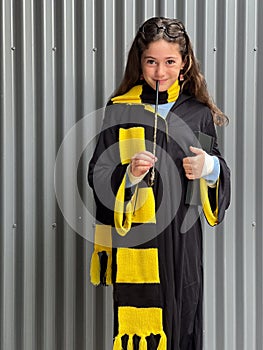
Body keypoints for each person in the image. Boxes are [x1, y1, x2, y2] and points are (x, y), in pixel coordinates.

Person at [88, 16, 230, 350]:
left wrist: (209, 167)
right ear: (139, 65)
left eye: (169, 62)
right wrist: (130, 176)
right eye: (151, 61)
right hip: (138, 243)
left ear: (184, 64)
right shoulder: (120, 111)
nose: (160, 71)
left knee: (183, 324)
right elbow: (98, 172)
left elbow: (219, 169)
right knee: (143, 337)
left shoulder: (197, 113)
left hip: (183, 238)